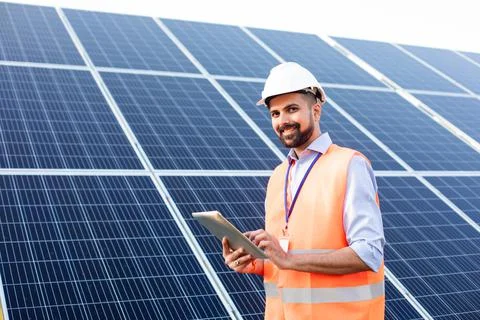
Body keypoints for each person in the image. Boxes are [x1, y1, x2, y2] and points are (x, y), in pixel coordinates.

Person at [222, 62, 385, 319]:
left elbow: (369, 253)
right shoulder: (277, 176)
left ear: (316, 110)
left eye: (292, 109)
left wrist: (289, 260)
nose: (283, 121)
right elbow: (287, 253)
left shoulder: (349, 164)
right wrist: (256, 261)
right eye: (275, 113)